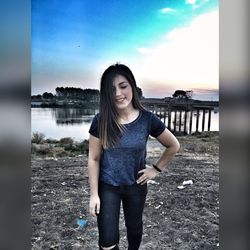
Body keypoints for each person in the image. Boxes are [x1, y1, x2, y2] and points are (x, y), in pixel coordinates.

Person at [88, 63, 180, 250]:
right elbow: (94, 159)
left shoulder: (147, 119)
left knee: (134, 229)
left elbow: (173, 145)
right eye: (111, 89)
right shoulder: (101, 120)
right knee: (106, 241)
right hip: (108, 186)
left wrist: (156, 169)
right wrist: (94, 194)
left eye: (123, 86)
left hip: (136, 186)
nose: (118, 93)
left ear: (132, 87)